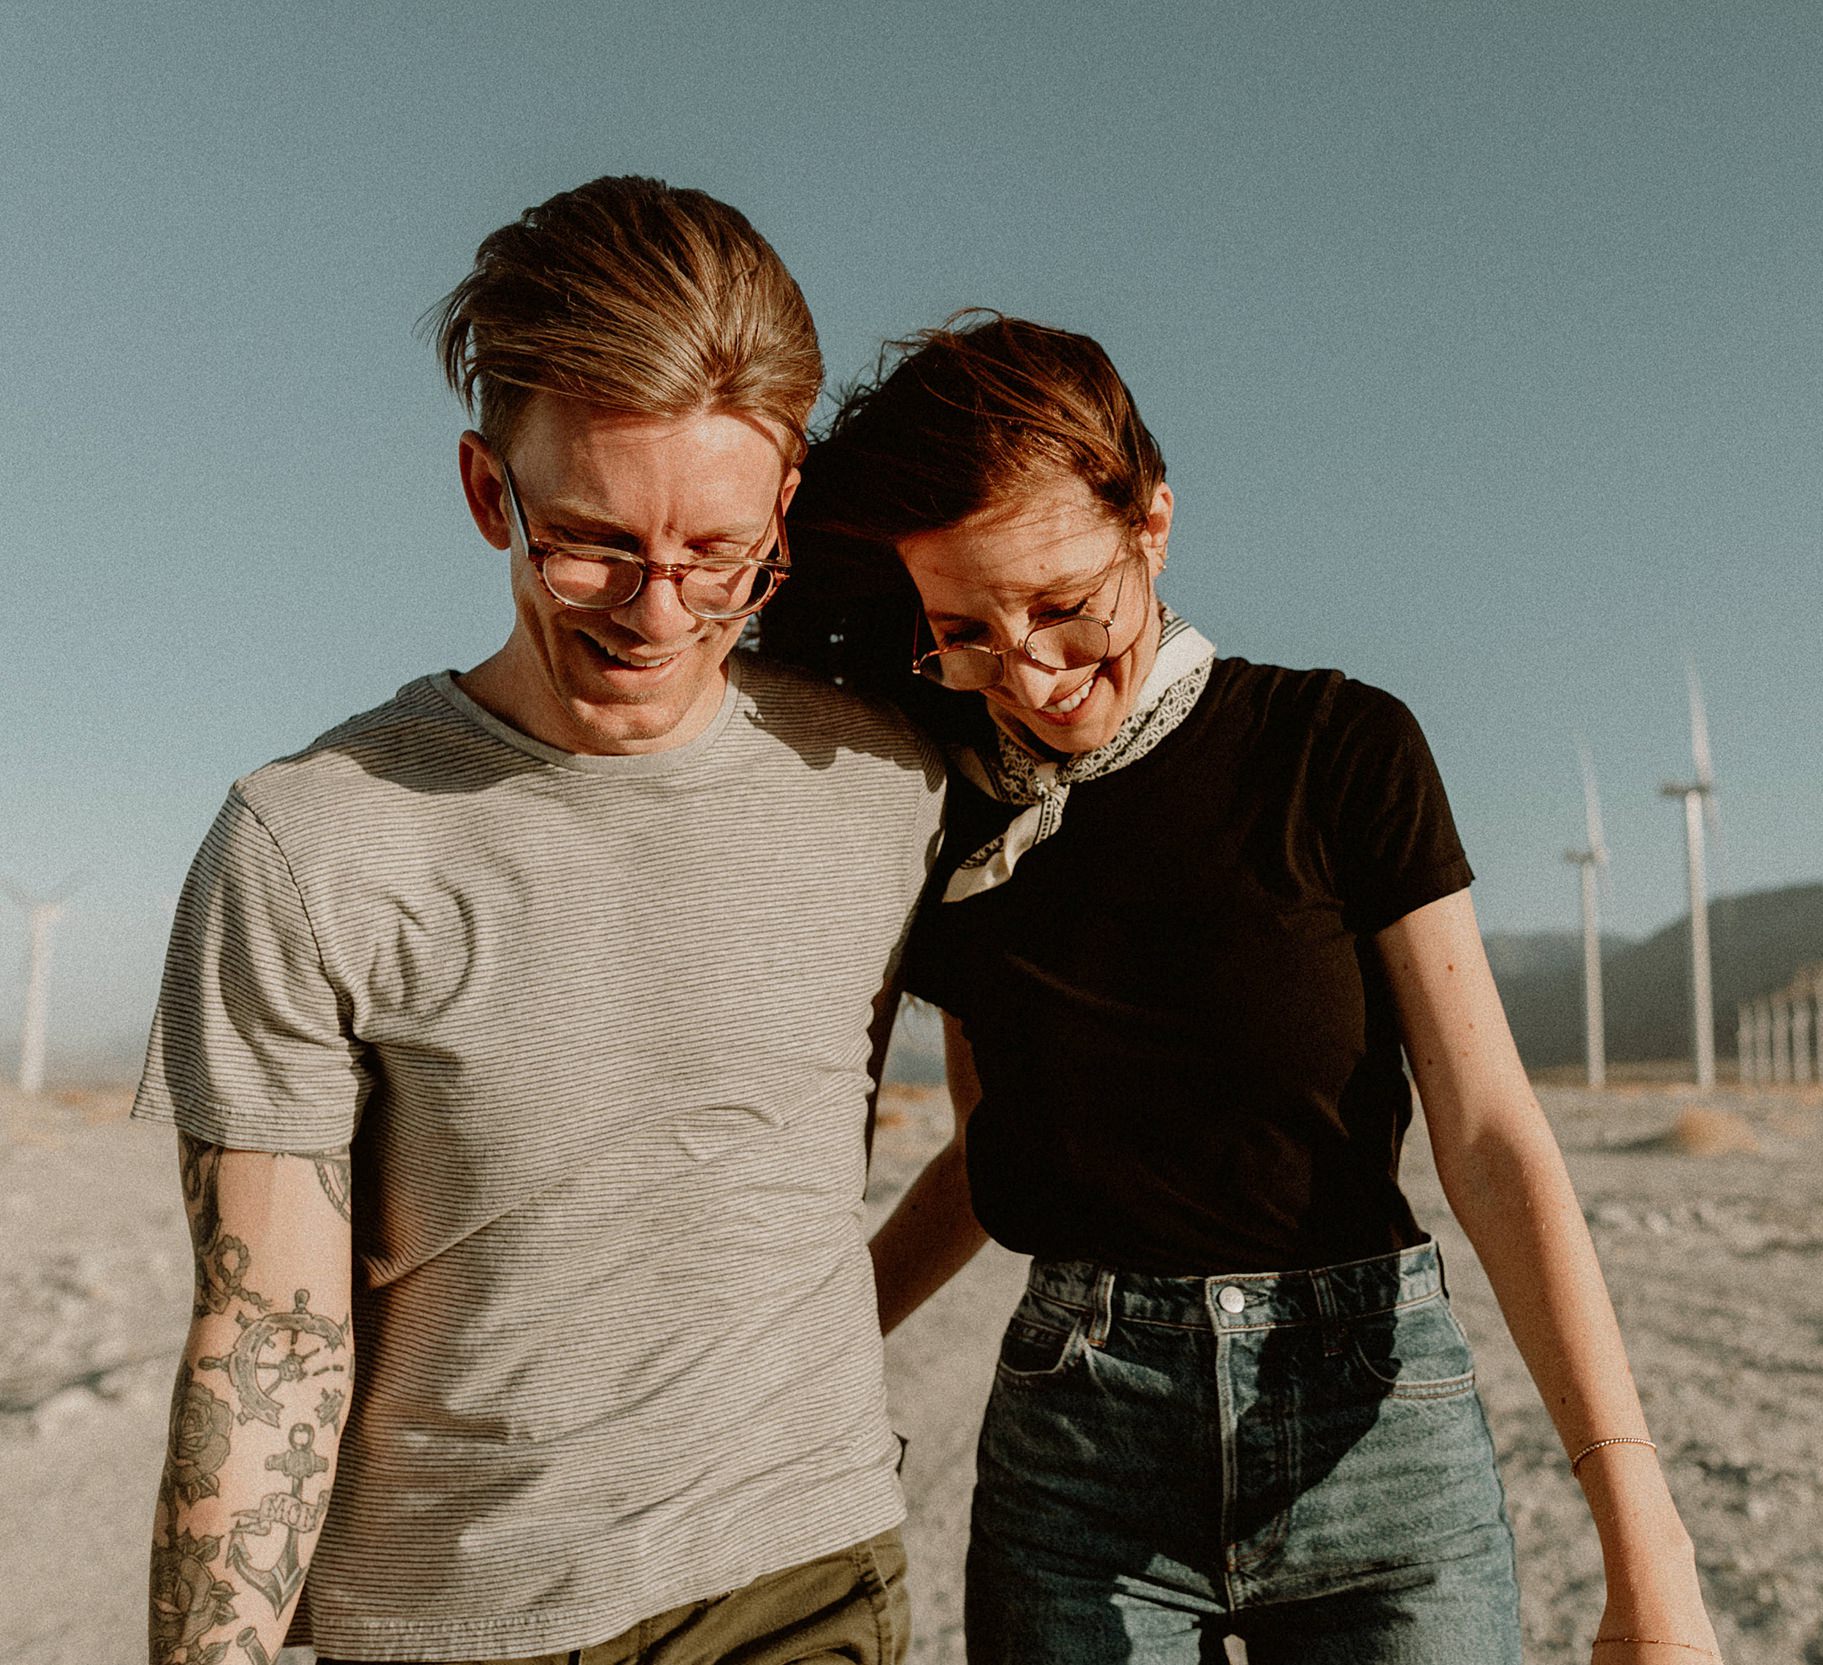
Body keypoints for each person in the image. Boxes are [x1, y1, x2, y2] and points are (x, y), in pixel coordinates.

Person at [779, 312, 1725, 1664]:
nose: (1032, 676)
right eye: (966, 634)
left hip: (1373, 1445)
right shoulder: (952, 821)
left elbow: (1492, 1134)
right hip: (1077, 1461)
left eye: (1067, 605)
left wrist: (1649, 1543)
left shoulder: (1340, 750)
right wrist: (813, 1343)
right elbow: (996, 1158)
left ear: (1153, 520)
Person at [136, 177, 940, 1665]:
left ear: (787, 507)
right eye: (592, 545)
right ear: (484, 489)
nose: (657, 613)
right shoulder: (311, 841)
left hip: (798, 1583)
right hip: (451, 1617)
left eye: (721, 558)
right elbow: (266, 1349)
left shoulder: (885, 781)